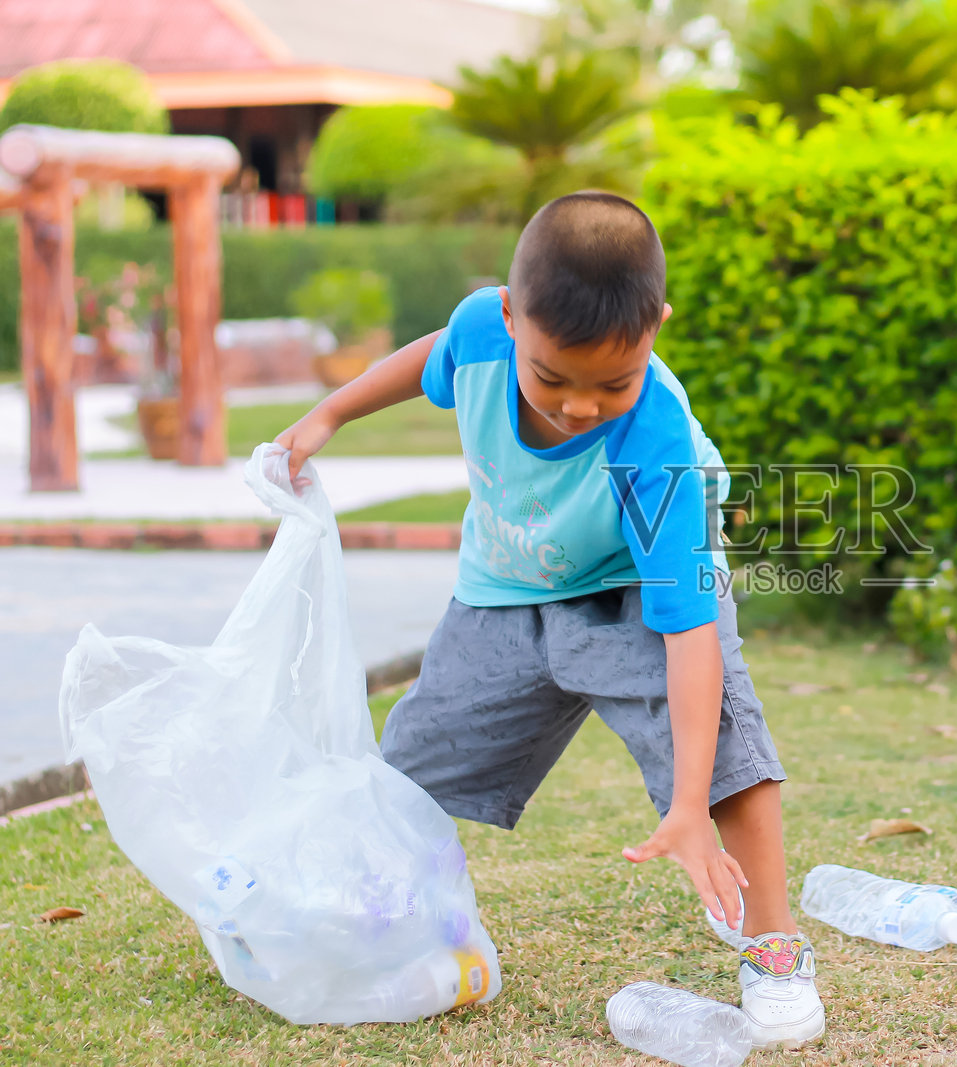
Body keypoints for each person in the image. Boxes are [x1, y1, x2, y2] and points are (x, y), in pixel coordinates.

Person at [275, 191, 824, 1049]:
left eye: (613, 380)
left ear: (656, 329)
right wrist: (331, 411)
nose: (577, 406)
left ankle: (776, 943)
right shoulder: (480, 331)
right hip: (506, 584)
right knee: (405, 773)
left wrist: (685, 806)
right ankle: (362, 918)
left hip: (638, 587)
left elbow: (689, 638)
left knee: (728, 754)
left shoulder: (657, 443)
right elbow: (436, 354)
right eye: (551, 376)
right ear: (508, 317)